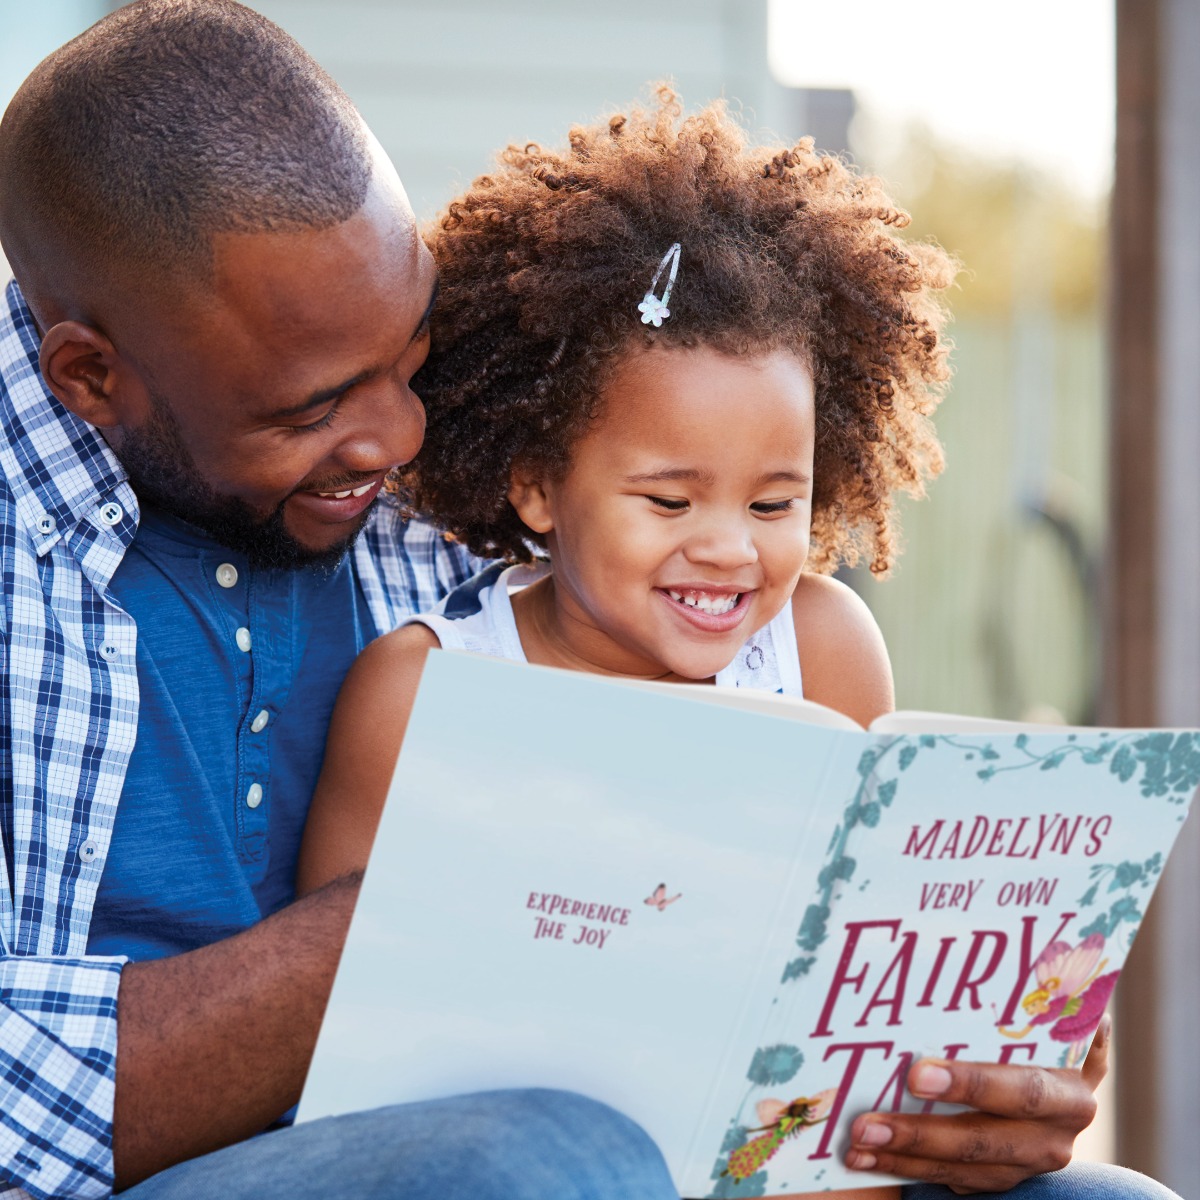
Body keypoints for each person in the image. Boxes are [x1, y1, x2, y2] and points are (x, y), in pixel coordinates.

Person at [0, 1, 1168, 1199]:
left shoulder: (467, 466)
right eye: (313, 409)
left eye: (410, 358)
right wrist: (456, 907)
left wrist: (982, 1058)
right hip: (234, 1165)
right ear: (92, 374)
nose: (403, 436)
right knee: (559, 1157)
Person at [297, 93, 1179, 1200]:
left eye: (775, 505)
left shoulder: (822, 644)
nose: (728, 551)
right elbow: (329, 1031)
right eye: (668, 501)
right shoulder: (425, 686)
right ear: (536, 486)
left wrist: (1010, 1042)